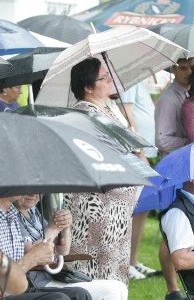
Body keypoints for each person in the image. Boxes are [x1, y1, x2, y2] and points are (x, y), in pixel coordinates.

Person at [66, 57, 139, 285]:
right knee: (98, 271)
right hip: (97, 207)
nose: (109, 80)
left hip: (116, 206)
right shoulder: (83, 114)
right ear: (88, 87)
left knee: (115, 270)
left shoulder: (108, 108)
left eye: (109, 75)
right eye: (103, 78)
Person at [154, 57, 194, 300]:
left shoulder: (187, 96)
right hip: (172, 169)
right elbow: (162, 140)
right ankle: (172, 289)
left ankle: (180, 286)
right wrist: (192, 141)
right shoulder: (169, 99)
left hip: (184, 167)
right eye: (183, 67)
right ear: (173, 69)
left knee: (184, 226)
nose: (188, 72)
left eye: (192, 67)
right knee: (171, 229)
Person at [118, 80, 160, 280]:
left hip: (140, 153)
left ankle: (133, 260)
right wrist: (139, 152)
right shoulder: (129, 80)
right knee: (134, 208)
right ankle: (126, 262)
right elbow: (127, 116)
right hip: (133, 154)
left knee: (142, 208)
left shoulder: (139, 81)